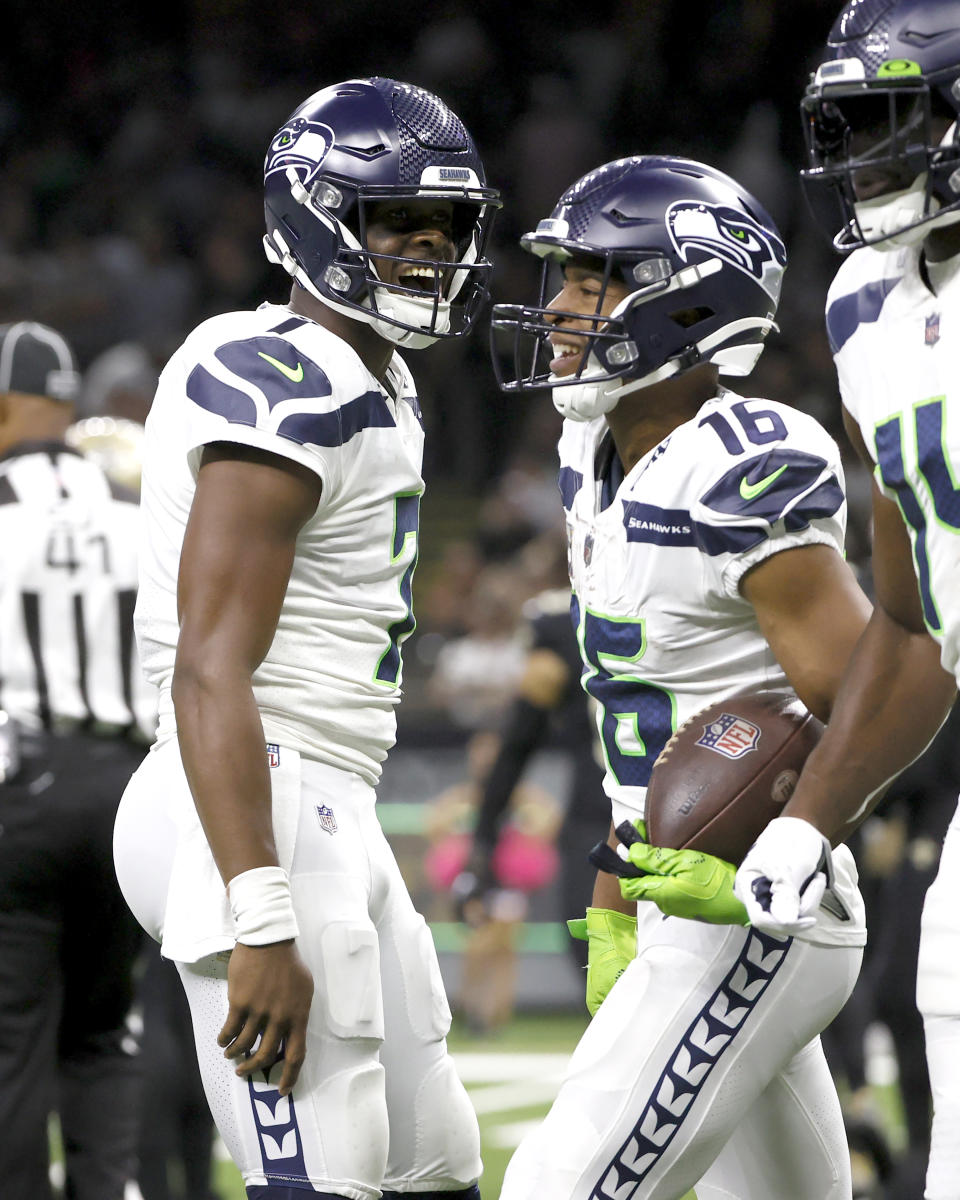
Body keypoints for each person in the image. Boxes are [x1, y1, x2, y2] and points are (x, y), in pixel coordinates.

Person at [112, 77, 501, 1200]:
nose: (429, 251)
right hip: (249, 790)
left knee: (437, 1169)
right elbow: (209, 665)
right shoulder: (280, 372)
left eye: (447, 228)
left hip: (325, 795)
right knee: (323, 1179)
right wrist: (260, 909)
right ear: (316, 218)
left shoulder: (383, 378)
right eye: (396, 223)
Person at [487, 155, 873, 1199]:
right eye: (560, 277)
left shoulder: (745, 462)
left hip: (754, 905)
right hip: (671, 891)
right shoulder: (585, 447)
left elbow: (865, 695)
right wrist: (617, 894)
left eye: (592, 279)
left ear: (690, 296)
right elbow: (637, 721)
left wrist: (790, 839)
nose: (558, 306)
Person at [733, 3, 960, 1196]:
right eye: (850, 130)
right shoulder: (867, 302)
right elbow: (915, 619)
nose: (864, 162)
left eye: (893, 124)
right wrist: (811, 813)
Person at [0, 320, 156, 1200]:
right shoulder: (133, 509)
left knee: (11, 1036)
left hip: (17, 785)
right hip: (123, 792)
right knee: (104, 1032)